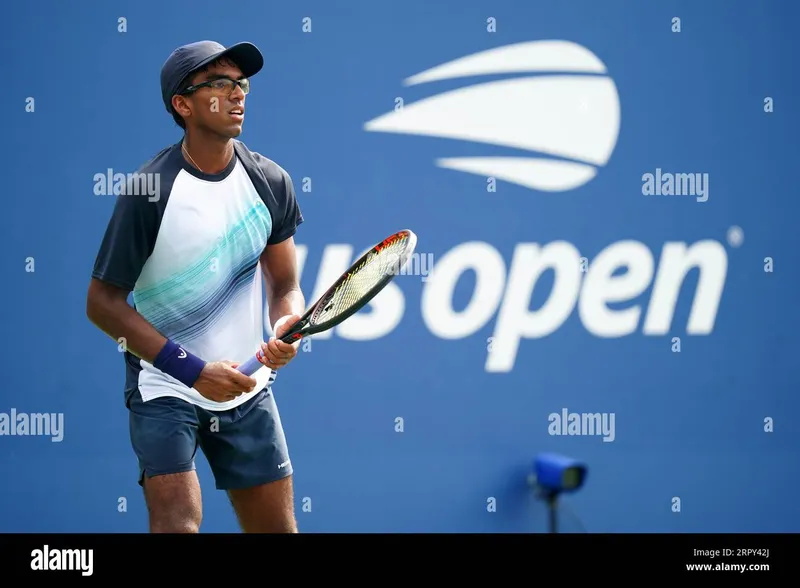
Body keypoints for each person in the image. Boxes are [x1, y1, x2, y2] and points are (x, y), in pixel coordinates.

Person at [85, 40, 305, 533]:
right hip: (166, 383)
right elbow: (102, 304)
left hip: (246, 387)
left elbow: (285, 282)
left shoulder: (270, 181)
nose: (237, 95)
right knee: (177, 523)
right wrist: (191, 370)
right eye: (219, 84)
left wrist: (287, 320)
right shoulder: (150, 192)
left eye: (241, 84)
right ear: (183, 104)